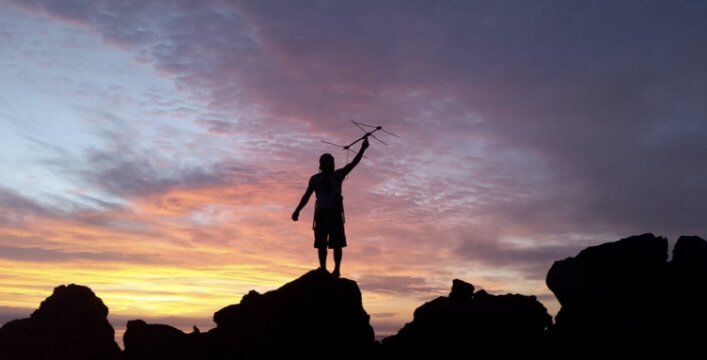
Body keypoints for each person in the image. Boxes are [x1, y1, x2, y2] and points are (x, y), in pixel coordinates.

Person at [292, 136, 370, 277]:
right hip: (322, 214)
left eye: (332, 162)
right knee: (322, 244)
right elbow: (307, 196)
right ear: (323, 164)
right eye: (329, 162)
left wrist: (363, 148)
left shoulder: (337, 175)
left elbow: (353, 163)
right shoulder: (315, 179)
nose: (331, 164)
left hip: (334, 213)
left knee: (337, 243)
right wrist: (297, 210)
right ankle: (323, 269)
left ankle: (336, 270)